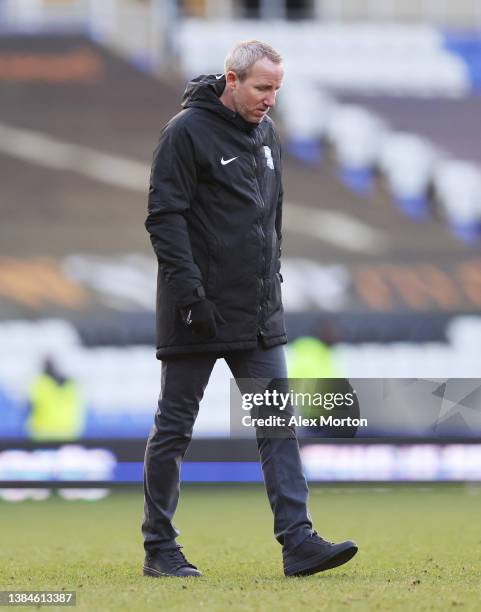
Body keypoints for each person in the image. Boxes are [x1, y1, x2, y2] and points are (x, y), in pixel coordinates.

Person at [142, 40, 358, 578]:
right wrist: (191, 296)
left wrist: (271, 284)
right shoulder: (185, 133)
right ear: (231, 80)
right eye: (263, 88)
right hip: (198, 311)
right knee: (175, 429)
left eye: (277, 90)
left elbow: (271, 220)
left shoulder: (267, 135)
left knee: (277, 426)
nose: (271, 100)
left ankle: (298, 542)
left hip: (257, 313)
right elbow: (163, 217)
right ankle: (160, 548)